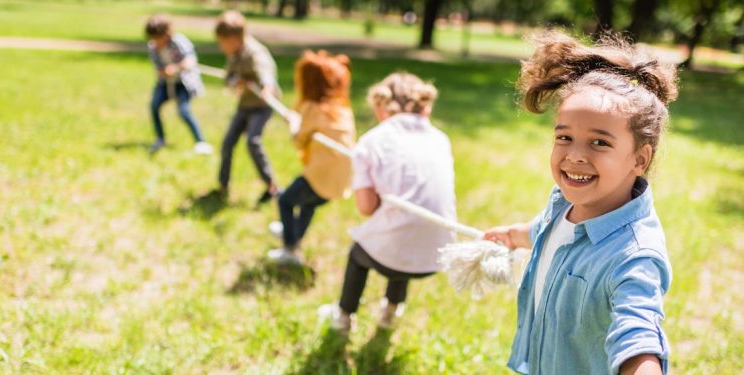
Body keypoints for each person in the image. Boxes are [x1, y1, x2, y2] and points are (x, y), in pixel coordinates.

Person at [484, 31, 678, 374]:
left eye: (599, 143)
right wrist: (513, 236)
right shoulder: (564, 205)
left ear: (639, 159)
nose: (575, 155)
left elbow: (638, 333)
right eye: (564, 137)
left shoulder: (633, 256)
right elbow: (548, 231)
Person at [325, 72, 457, 333]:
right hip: (438, 254)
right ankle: (391, 310)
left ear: (380, 106)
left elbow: (366, 208)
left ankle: (344, 316)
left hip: (396, 254)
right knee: (405, 226)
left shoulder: (371, 141)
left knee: (359, 253)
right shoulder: (441, 138)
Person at [267, 50, 355, 264]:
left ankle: (290, 250)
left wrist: (293, 123)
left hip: (321, 175)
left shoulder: (312, 108)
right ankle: (294, 234)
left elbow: (299, 139)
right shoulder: (342, 109)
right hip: (342, 179)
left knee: (286, 200)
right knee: (309, 204)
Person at [215, 10, 280, 204]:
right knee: (227, 144)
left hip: (261, 106)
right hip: (245, 105)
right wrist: (236, 81)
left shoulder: (254, 52)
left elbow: (265, 71)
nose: (221, 47)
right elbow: (228, 78)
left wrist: (267, 87)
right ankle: (222, 185)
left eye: (222, 42)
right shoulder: (234, 54)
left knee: (253, 141)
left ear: (234, 38)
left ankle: (272, 186)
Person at [145, 14, 212, 155]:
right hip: (165, 83)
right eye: (153, 39)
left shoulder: (179, 42)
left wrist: (176, 68)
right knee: (154, 106)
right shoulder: (153, 47)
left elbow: (190, 61)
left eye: (157, 38)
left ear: (166, 34)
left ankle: (201, 142)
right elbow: (158, 70)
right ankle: (160, 139)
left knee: (184, 112)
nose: (155, 42)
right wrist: (164, 72)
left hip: (183, 83)